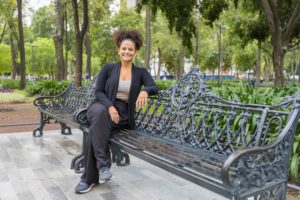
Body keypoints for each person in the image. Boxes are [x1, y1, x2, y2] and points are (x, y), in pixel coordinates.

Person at [75, 29, 158, 194]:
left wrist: (145, 91)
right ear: (118, 49)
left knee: (95, 131)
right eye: (124, 48)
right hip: (101, 106)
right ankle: (103, 165)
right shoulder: (108, 68)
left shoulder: (141, 72)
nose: (127, 52)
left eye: (130, 49)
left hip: (123, 116)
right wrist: (110, 107)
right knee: (99, 115)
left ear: (135, 52)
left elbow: (153, 86)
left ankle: (88, 179)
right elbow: (98, 92)